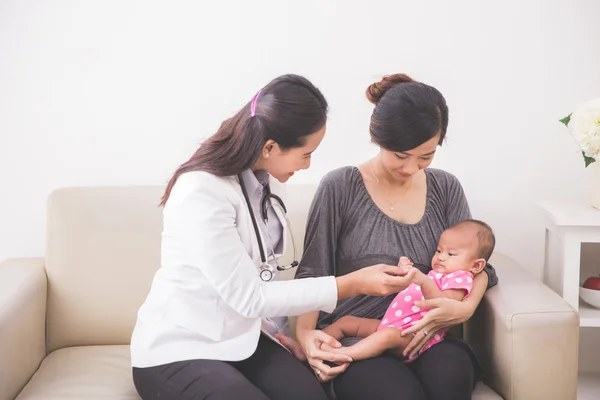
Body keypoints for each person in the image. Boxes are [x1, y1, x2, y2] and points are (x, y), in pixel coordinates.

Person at [129, 74, 418, 400]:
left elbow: (260, 274)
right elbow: (249, 296)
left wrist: (275, 335)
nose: (308, 165)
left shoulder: (265, 183)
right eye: (306, 154)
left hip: (245, 340)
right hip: (181, 347)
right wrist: (352, 283)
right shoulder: (201, 192)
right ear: (270, 147)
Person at [288, 73, 499, 400]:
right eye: (401, 155)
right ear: (377, 135)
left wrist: (465, 308)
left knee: (450, 380)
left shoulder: (445, 188)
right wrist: (305, 337)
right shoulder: (340, 187)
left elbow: (479, 266)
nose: (411, 168)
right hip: (359, 339)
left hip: (428, 338)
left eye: (426, 156)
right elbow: (314, 272)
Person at [322, 219, 496, 363]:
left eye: (451, 254)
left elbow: (443, 304)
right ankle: (314, 346)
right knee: (346, 322)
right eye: (438, 250)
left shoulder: (460, 278)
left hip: (412, 336)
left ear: (477, 265)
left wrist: (423, 280)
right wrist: (404, 270)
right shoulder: (436, 274)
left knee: (386, 337)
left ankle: (344, 355)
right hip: (390, 324)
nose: (440, 257)